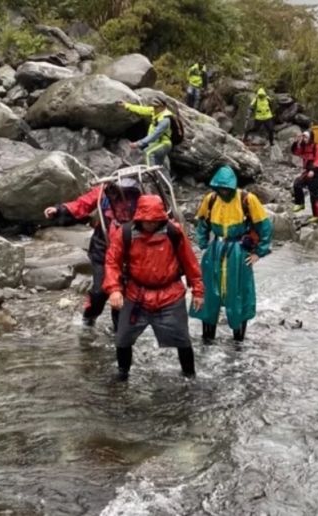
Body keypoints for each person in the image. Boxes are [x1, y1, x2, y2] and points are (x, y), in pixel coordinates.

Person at [104, 195, 204, 381]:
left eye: (154, 221)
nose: (150, 224)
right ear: (139, 217)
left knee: (182, 339)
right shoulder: (125, 233)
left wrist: (198, 291)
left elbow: (190, 262)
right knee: (123, 337)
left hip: (170, 295)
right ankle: (122, 373)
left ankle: (190, 376)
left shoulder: (174, 232)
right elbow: (112, 262)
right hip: (136, 295)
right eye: (146, 221)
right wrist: (114, 289)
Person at [44, 178, 141, 329]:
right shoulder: (104, 192)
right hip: (102, 249)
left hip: (130, 252)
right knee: (99, 292)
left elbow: (156, 216)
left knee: (124, 293)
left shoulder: (142, 197)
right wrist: (61, 210)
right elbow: (83, 203)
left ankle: (119, 332)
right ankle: (89, 318)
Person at [191, 165, 273, 342]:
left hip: (238, 250)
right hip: (215, 249)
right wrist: (204, 245)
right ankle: (207, 337)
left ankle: (238, 339)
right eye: (219, 188)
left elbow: (264, 226)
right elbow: (202, 224)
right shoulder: (211, 199)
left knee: (238, 292)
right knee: (209, 292)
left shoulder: (247, 199)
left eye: (225, 188)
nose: (222, 191)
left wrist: (259, 252)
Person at [118, 98, 174, 170]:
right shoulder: (155, 111)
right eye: (154, 107)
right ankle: (164, 180)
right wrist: (126, 105)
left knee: (148, 153)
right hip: (156, 144)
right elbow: (141, 109)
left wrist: (138, 143)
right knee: (160, 168)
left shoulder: (165, 120)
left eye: (156, 107)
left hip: (163, 144)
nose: (154, 109)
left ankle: (153, 176)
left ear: (162, 107)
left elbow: (154, 135)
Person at [291, 131, 318, 223]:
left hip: (317, 172)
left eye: (306, 137)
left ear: (310, 138)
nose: (304, 139)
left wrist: (313, 170)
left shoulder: (317, 146)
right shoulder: (303, 146)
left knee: (314, 194)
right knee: (297, 184)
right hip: (308, 171)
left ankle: (317, 216)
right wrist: (296, 142)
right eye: (304, 137)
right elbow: (295, 152)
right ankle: (300, 204)